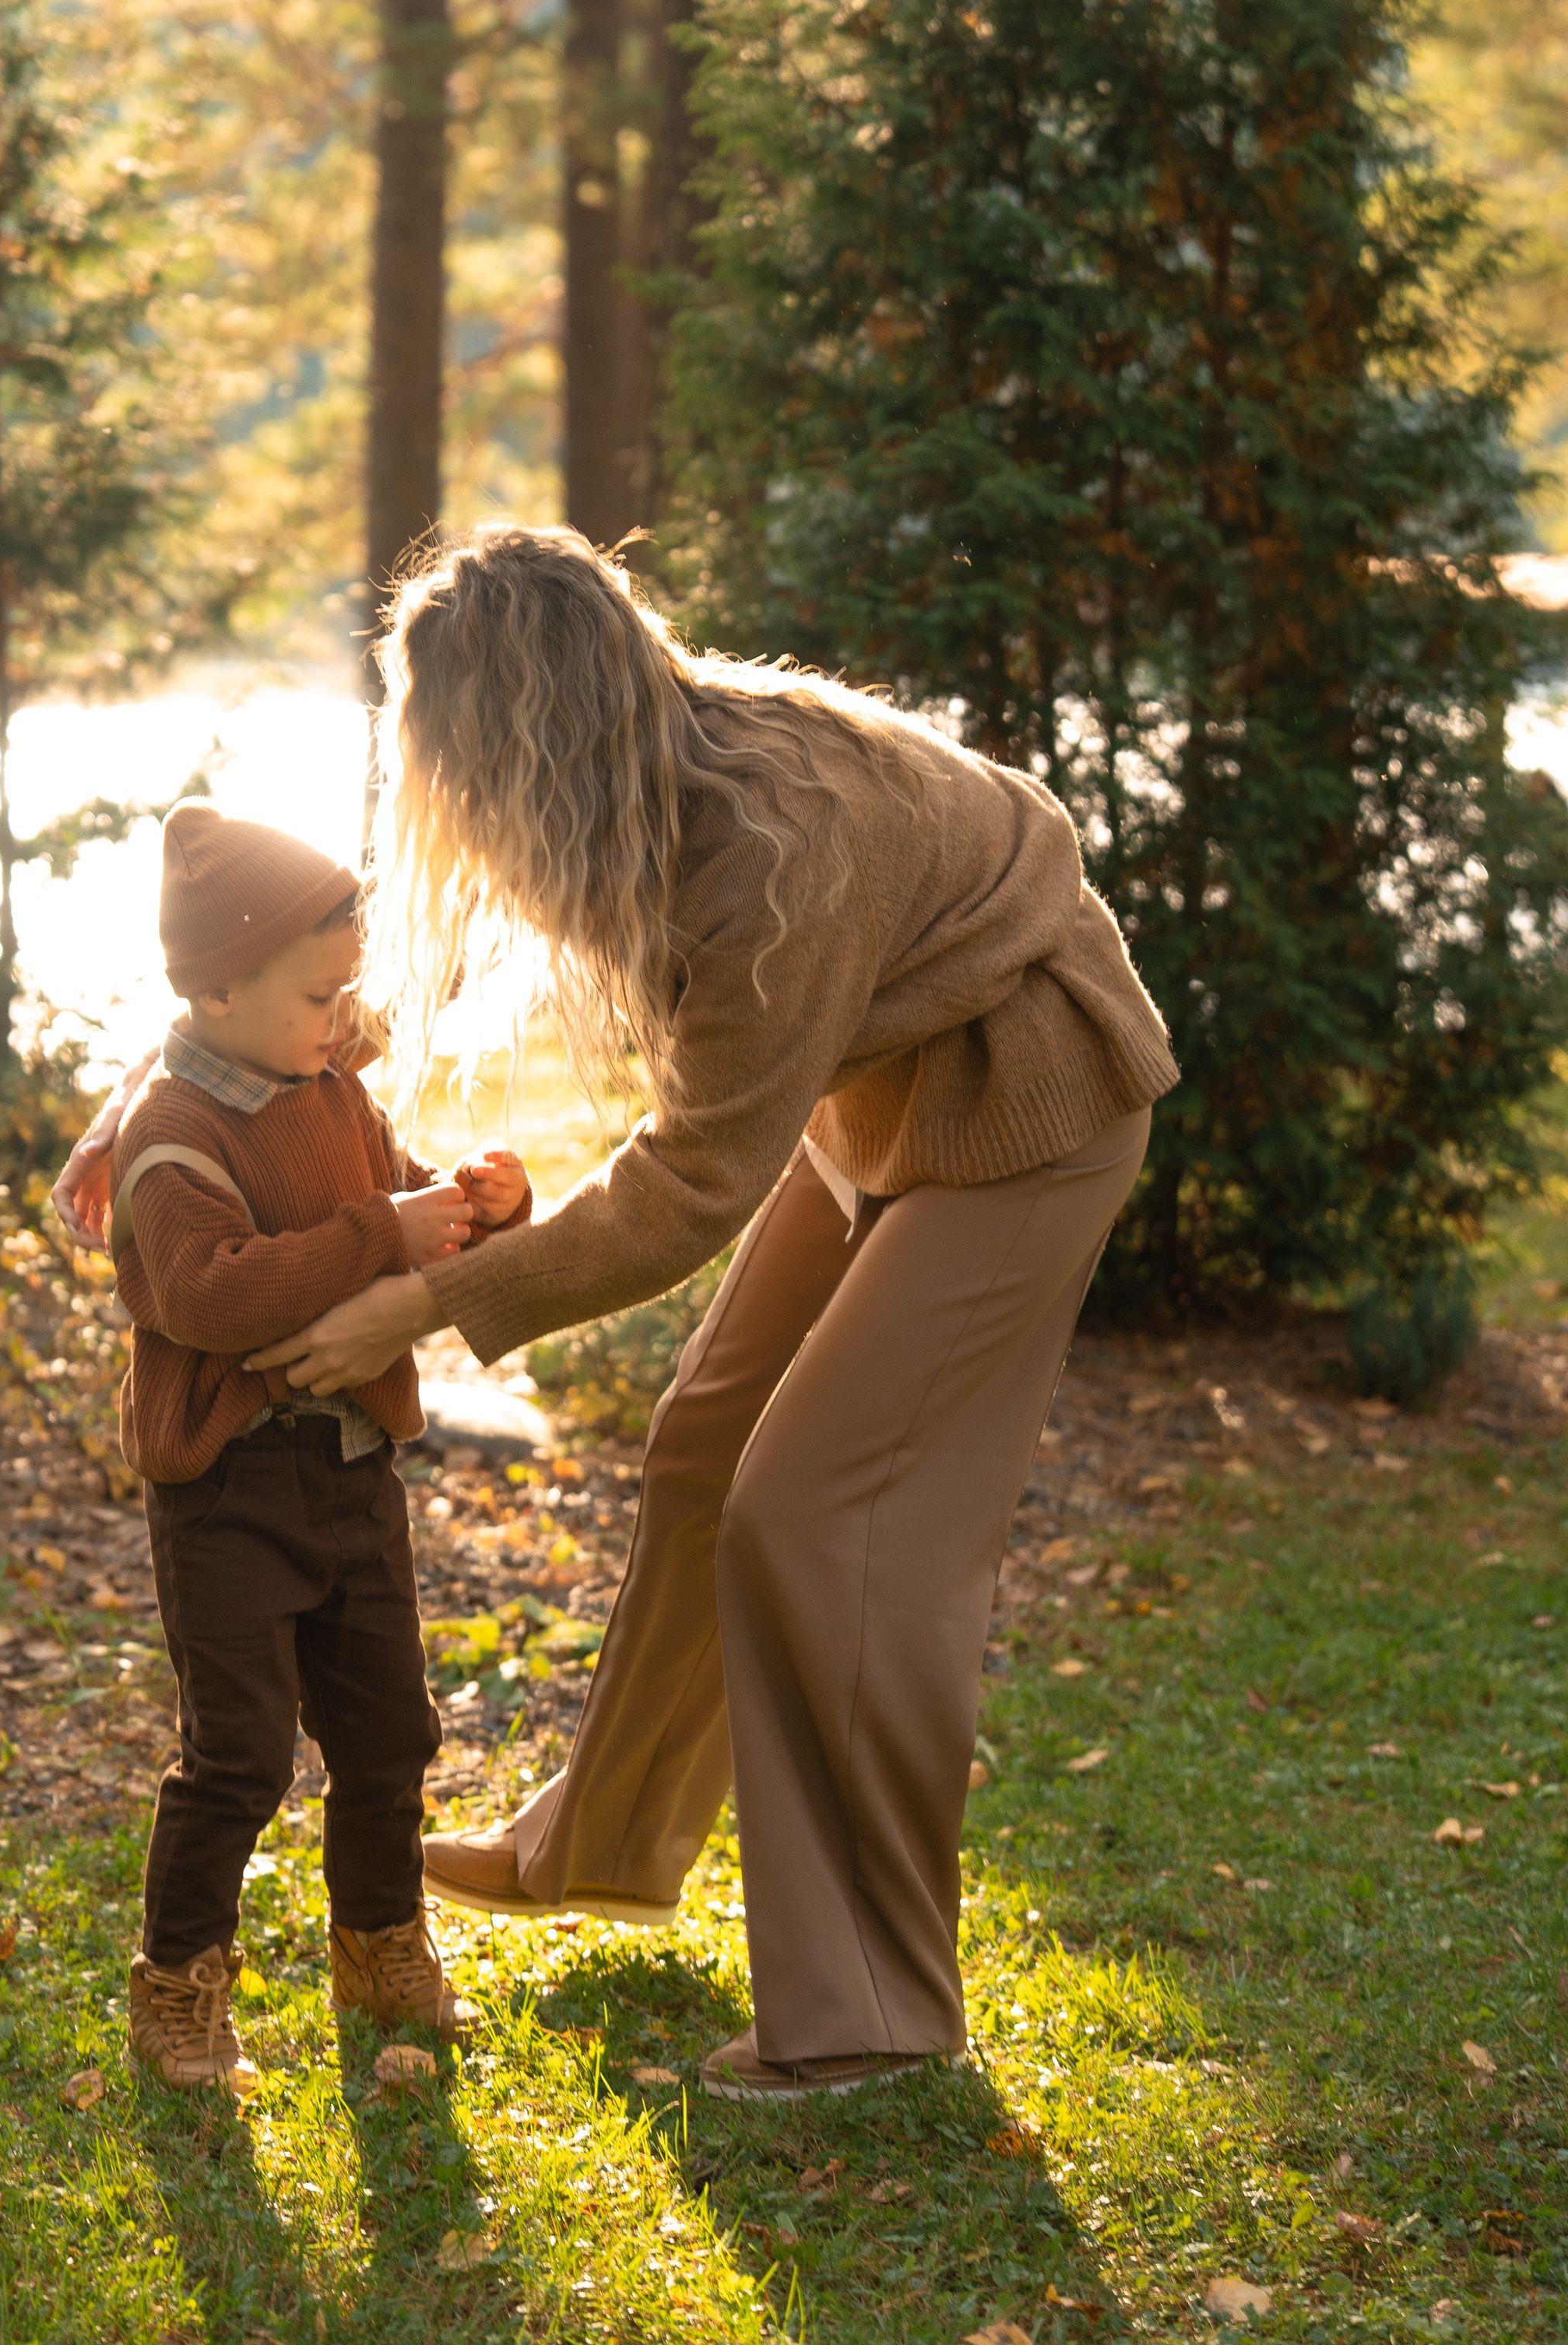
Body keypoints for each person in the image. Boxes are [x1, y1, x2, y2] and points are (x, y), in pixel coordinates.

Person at [230, 526, 1177, 2099]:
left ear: (515, 729)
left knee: (815, 1516)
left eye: (441, 742)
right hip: (881, 1101)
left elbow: (685, 1187)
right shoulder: (646, 775)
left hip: (1028, 1115)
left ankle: (873, 2011)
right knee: (699, 1451)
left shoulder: (771, 845)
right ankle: (596, 1844)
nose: (433, 782)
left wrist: (417, 1300)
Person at [101, 800, 530, 2090]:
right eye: (317, 995)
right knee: (236, 1752)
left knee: (390, 1729)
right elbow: (212, 1296)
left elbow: (397, 1206)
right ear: (217, 987)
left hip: (353, 1471)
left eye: (349, 992)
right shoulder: (169, 1136)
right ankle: (179, 1986)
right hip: (228, 1494)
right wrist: (385, 1236)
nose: (343, 1020)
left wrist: (476, 1206)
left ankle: (378, 1941)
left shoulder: (329, 1089)